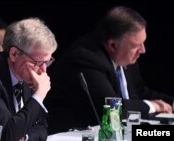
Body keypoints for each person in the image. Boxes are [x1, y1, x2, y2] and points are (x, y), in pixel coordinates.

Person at [45, 6, 174, 134]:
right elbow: (112, 109)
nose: (143, 50)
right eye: (136, 45)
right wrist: (153, 106)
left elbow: (140, 92)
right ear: (113, 45)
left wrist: (171, 103)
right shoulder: (85, 59)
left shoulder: (125, 57)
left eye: (143, 43)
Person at [0, 17, 58, 141]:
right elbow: (6, 135)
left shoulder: (25, 74)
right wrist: (39, 94)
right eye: (38, 62)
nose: (43, 71)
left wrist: (25, 138)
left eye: (47, 62)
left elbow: (42, 127)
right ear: (14, 54)